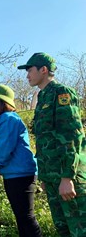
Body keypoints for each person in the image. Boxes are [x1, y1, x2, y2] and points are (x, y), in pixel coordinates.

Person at [17, 52, 86, 236]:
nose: (27, 75)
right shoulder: (42, 97)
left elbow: (71, 136)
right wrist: (45, 176)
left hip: (68, 177)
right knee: (62, 229)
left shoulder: (61, 93)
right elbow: (44, 140)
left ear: (44, 69)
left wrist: (67, 177)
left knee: (79, 229)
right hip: (52, 177)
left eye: (30, 70)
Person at [0, 84, 42, 237]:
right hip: (14, 174)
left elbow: (4, 148)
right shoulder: (2, 119)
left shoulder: (8, 119)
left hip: (21, 175)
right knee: (21, 217)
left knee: (26, 217)